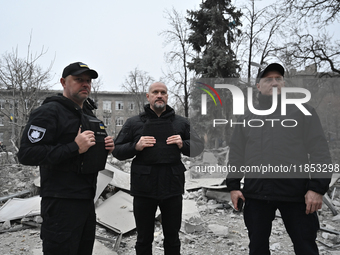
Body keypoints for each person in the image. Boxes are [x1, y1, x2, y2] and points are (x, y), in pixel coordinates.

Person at [226, 63, 332, 255]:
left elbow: (320, 151)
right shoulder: (246, 117)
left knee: (306, 247)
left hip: (296, 194)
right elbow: (236, 153)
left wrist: (317, 188)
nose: (274, 83)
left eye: (278, 79)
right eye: (268, 79)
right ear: (258, 86)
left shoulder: (302, 112)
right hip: (257, 195)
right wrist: (233, 186)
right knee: (257, 248)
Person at [17, 62, 115, 255]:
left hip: (87, 200)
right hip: (61, 203)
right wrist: (74, 147)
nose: (85, 84)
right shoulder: (48, 112)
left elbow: (84, 153)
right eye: (79, 80)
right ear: (63, 82)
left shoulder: (88, 115)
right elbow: (26, 154)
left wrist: (105, 148)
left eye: (88, 81)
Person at [112, 82, 204, 255]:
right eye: (155, 92)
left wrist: (182, 144)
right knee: (143, 238)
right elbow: (117, 150)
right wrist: (135, 147)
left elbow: (198, 146)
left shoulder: (181, 123)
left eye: (163, 92)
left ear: (167, 96)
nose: (159, 95)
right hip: (144, 188)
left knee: (172, 237)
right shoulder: (134, 123)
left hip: (172, 187)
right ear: (148, 96)